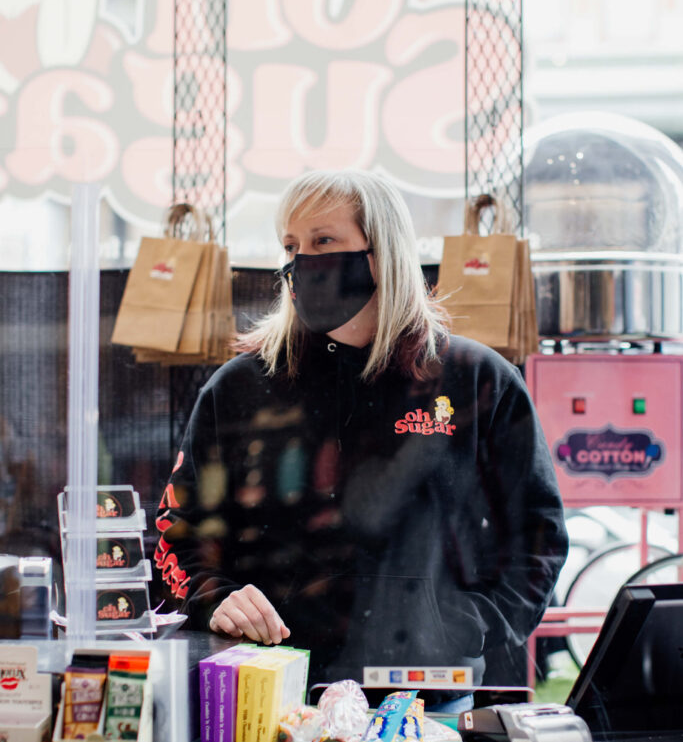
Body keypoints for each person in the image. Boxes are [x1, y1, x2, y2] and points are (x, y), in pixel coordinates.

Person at [154, 169, 568, 703]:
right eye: (290, 244)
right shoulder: (240, 387)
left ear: (383, 251)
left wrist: (469, 626)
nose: (302, 260)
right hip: (269, 696)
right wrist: (214, 598)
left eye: (323, 240)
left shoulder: (475, 379)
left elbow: (539, 536)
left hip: (427, 699)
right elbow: (177, 532)